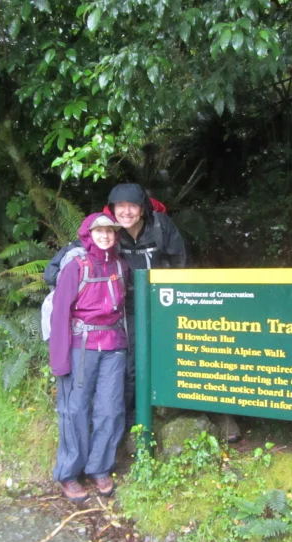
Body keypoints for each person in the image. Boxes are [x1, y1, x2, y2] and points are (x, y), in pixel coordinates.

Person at [105, 183, 243, 445]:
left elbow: (180, 263)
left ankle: (219, 415)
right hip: (128, 309)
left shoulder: (160, 227)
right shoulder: (108, 232)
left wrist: (179, 303)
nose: (126, 212)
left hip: (165, 303)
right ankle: (132, 424)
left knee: (190, 354)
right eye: (120, 207)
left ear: (143, 209)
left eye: (132, 206)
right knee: (133, 364)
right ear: (112, 210)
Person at [49, 212, 129, 502]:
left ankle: (100, 467)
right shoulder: (76, 267)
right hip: (81, 345)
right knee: (76, 409)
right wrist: (59, 360)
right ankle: (69, 473)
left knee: (110, 408)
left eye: (109, 231)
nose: (105, 236)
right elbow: (60, 314)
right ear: (88, 234)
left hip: (113, 345)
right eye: (99, 231)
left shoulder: (120, 266)